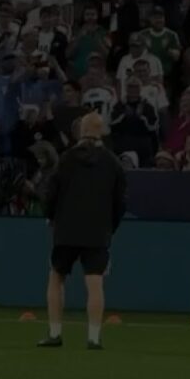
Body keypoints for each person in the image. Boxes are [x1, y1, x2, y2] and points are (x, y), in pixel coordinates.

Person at [38, 112, 127, 350]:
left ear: (80, 132)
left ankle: (55, 333)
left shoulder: (67, 159)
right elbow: (120, 202)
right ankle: (94, 337)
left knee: (56, 277)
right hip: (97, 231)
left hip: (66, 228)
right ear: (102, 132)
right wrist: (111, 226)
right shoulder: (112, 163)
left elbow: (51, 191)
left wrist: (49, 216)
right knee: (95, 282)